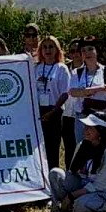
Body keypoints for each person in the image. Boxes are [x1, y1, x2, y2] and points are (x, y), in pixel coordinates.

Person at [48, 112, 106, 212]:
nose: (86, 130)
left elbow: (100, 185)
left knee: (81, 204)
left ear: (100, 131)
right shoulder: (82, 145)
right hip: (84, 186)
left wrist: (71, 196)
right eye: (86, 126)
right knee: (55, 174)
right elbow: (73, 172)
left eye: (90, 128)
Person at [66, 40, 106, 147]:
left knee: (102, 148)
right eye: (83, 50)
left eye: (90, 49)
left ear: (97, 51)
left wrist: (103, 113)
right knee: (82, 148)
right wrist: (99, 88)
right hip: (82, 117)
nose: (87, 53)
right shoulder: (77, 72)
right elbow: (73, 92)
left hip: (102, 118)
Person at [35, 36, 71, 170]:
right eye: (44, 47)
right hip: (38, 110)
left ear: (57, 50)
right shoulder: (36, 67)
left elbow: (65, 93)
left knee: (52, 148)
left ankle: (53, 175)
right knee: (39, 148)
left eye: (51, 47)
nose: (47, 50)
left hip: (54, 111)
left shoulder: (61, 68)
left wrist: (53, 111)